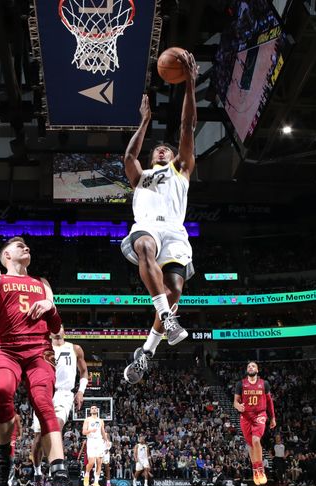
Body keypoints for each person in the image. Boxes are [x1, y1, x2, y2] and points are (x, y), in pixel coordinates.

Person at [0, 236, 75, 486]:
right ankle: (4, 461)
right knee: (2, 390)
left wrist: (51, 307)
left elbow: (56, 327)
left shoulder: (43, 283)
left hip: (40, 350)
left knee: (43, 403)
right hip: (7, 349)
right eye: (19, 246)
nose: (25, 247)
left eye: (26, 245)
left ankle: (59, 474)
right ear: (6, 256)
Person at [120, 50, 199, 384]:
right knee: (145, 247)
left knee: (175, 290)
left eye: (165, 149)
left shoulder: (181, 169)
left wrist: (191, 84)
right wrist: (145, 122)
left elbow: (187, 125)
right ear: (152, 157)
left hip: (176, 234)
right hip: (148, 228)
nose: (162, 150)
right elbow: (128, 156)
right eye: (157, 150)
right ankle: (168, 319)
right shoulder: (141, 177)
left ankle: (147, 353)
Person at [30, 327, 88, 486]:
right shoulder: (42, 348)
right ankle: (37, 474)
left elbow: (84, 371)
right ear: (48, 332)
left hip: (64, 393)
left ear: (64, 330)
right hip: (43, 392)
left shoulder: (75, 348)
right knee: (39, 437)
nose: (57, 329)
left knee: (55, 427)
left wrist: (81, 391)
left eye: (59, 326)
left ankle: (53, 475)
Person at [233, 361, 276, 486]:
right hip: (245, 416)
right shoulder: (240, 384)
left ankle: (260, 468)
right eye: (248, 366)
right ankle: (255, 470)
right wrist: (238, 406)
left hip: (260, 414)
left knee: (256, 440)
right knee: (251, 445)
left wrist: (272, 417)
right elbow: (235, 402)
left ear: (257, 370)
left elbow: (270, 401)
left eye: (253, 366)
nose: (250, 367)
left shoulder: (264, 383)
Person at [81, 405, 109, 486]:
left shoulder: (101, 421)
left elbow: (103, 432)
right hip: (91, 441)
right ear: (90, 411)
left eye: (95, 408)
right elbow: (83, 432)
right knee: (91, 462)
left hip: (99, 441)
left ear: (97, 410)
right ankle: (87, 474)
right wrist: (91, 430)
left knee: (99, 462)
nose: (94, 409)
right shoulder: (87, 420)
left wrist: (106, 440)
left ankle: (96, 482)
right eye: (92, 408)